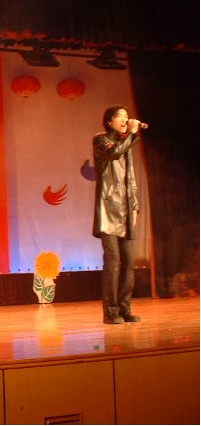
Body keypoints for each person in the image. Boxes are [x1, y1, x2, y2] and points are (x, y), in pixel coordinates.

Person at [92, 105, 143, 325]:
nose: (125, 120)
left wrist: (136, 206)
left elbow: (130, 178)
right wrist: (131, 133)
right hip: (108, 210)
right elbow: (114, 152)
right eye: (120, 117)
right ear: (109, 121)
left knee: (129, 262)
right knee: (113, 261)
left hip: (126, 210)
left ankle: (125, 308)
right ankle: (110, 311)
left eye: (126, 116)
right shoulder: (100, 140)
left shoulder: (127, 144)